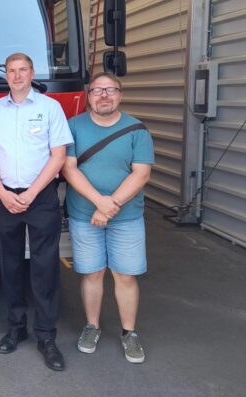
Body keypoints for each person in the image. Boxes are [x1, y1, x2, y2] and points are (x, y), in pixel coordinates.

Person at [0, 53, 73, 371]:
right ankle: (15, 328)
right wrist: (2, 193)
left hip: (41, 197)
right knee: (10, 265)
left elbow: (58, 156)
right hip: (5, 198)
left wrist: (31, 193)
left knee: (45, 268)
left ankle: (46, 335)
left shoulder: (49, 108)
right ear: (6, 75)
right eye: (11, 71)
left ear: (32, 73)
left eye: (22, 70)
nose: (16, 76)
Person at [61, 72, 154, 364]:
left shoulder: (137, 130)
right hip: (84, 215)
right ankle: (92, 327)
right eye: (98, 90)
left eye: (110, 90)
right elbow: (69, 169)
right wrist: (98, 202)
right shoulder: (73, 127)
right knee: (93, 273)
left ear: (120, 95)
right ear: (88, 96)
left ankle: (129, 333)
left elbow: (142, 173)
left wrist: (109, 205)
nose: (104, 96)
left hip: (126, 217)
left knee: (125, 275)